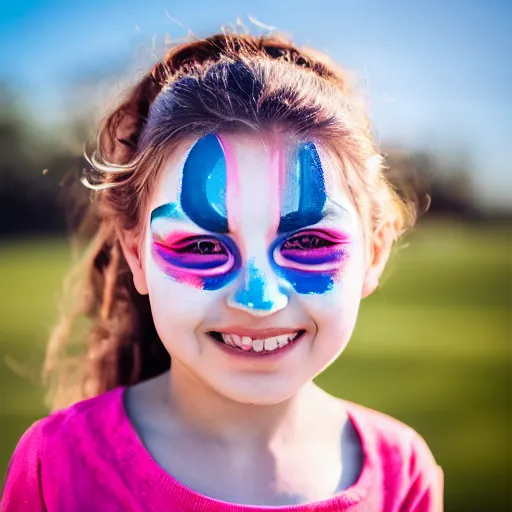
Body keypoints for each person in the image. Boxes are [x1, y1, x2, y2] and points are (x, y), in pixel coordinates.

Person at [1, 32, 443, 511]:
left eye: (309, 242)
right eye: (202, 245)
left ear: (373, 254)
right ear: (136, 256)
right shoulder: (58, 466)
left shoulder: (403, 473)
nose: (259, 300)